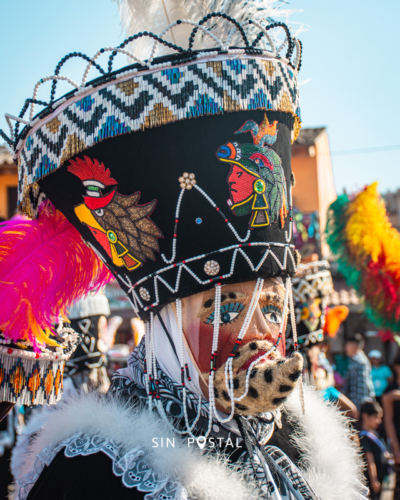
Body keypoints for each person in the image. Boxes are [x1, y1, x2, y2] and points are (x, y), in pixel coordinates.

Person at [3, 4, 368, 500]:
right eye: (227, 307)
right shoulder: (96, 470)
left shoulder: (304, 443)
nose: (260, 334)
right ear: (167, 322)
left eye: (274, 307)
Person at [359, 401, 393, 500]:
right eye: (376, 417)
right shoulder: (364, 437)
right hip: (372, 480)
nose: (379, 421)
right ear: (365, 416)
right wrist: (374, 480)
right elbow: (370, 461)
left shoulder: (375, 434)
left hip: (381, 478)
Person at [344, 333, 375, 410]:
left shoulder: (360, 362)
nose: (345, 348)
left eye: (347, 345)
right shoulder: (354, 360)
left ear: (354, 346)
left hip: (359, 406)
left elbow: (362, 387)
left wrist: (357, 408)